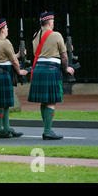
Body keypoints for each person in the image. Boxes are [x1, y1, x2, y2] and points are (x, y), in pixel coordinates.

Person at [28, 11, 74, 140]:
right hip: (50, 70)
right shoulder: (56, 35)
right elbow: (63, 55)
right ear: (49, 22)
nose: (53, 24)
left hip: (38, 70)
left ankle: (47, 129)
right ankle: (47, 131)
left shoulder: (35, 35)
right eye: (53, 22)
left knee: (44, 102)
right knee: (51, 101)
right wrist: (67, 68)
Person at [0, 19, 28, 138]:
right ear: (2, 29)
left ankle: (7, 128)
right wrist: (20, 71)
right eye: (6, 27)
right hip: (3, 74)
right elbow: (13, 61)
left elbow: (5, 57)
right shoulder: (5, 42)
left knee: (4, 103)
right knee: (2, 104)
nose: (8, 29)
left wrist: (18, 54)